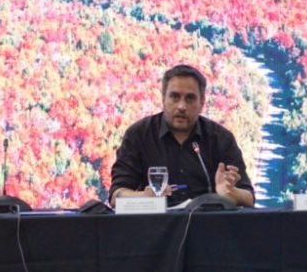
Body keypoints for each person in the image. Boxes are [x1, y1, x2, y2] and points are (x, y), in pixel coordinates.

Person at [109, 64, 255, 207]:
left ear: (202, 103)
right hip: (154, 227)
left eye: (190, 99)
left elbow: (249, 198)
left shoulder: (221, 138)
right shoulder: (138, 135)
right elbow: (116, 196)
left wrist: (230, 192)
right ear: (163, 99)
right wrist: (145, 197)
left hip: (208, 226)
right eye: (175, 97)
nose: (181, 106)